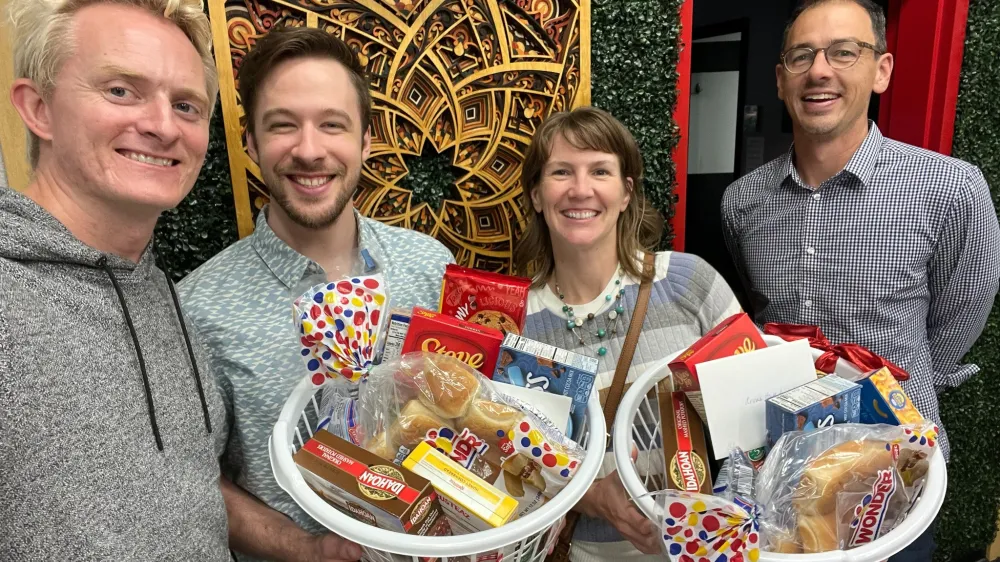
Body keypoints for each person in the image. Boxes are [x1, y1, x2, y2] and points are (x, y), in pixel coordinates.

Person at [721, 0, 1000, 558]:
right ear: (780, 80)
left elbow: (959, 317)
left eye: (844, 52)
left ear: (882, 70)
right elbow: (759, 311)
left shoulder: (950, 189)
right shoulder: (743, 202)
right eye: (802, 56)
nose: (820, 70)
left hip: (896, 468)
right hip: (777, 468)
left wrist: (905, 381)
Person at [178, 26, 455, 562]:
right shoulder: (199, 307)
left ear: (365, 140)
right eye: (283, 126)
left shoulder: (429, 266)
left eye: (333, 125)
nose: (309, 150)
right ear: (251, 141)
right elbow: (196, 480)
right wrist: (304, 549)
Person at [0, 0, 231, 560]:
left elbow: (185, 489)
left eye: (186, 105)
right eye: (120, 91)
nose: (161, 125)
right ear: (39, 108)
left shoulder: (159, 291)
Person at [512, 106, 742, 561]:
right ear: (537, 194)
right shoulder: (515, 322)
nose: (581, 189)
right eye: (561, 172)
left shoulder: (688, 283)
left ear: (625, 192)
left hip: (705, 550)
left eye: (600, 170)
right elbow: (509, 464)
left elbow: (755, 415)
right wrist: (592, 495)